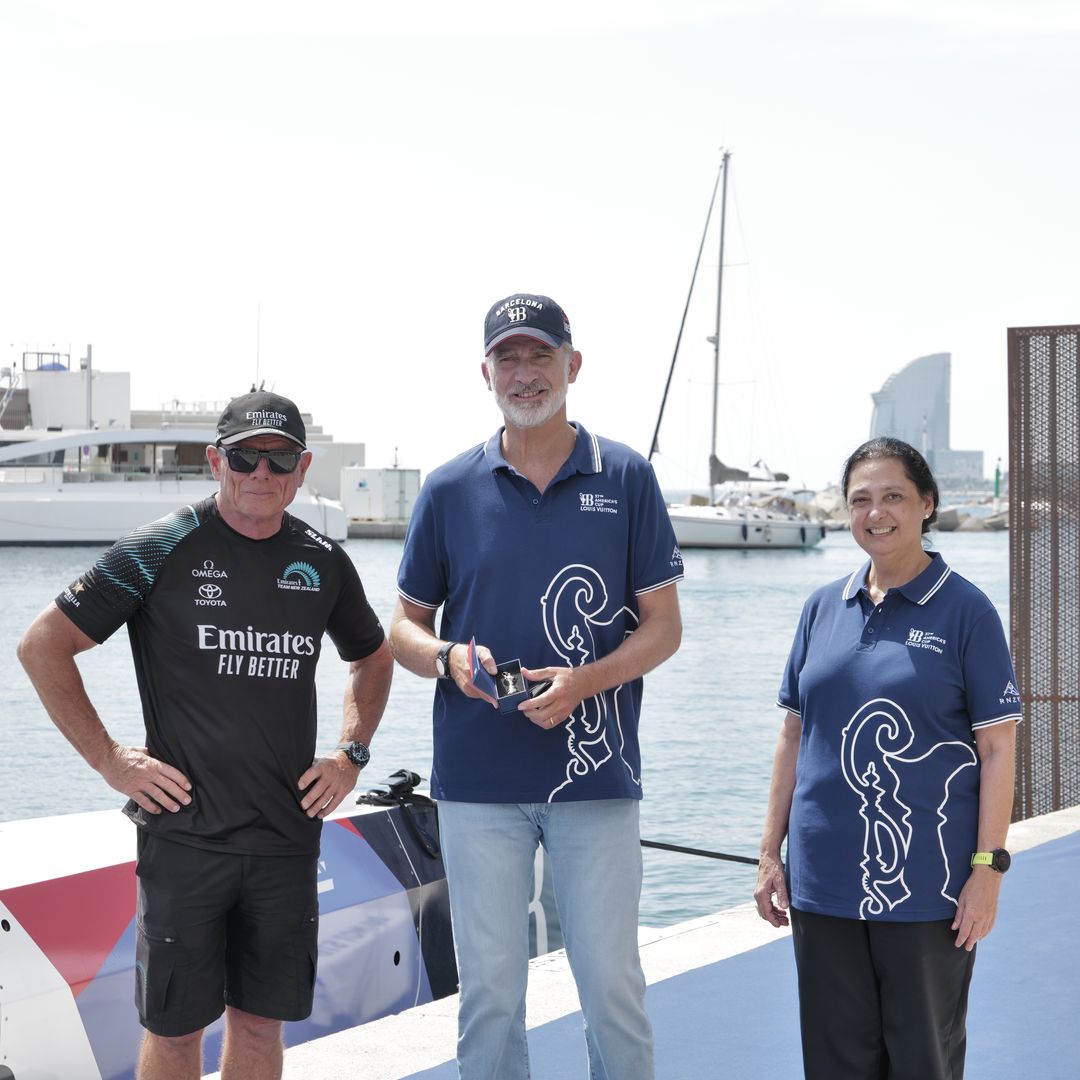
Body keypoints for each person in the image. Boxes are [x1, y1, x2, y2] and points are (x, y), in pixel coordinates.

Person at [17, 390, 393, 1080]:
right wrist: (109, 759)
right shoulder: (160, 547)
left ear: (302, 467)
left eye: (278, 456)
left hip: (285, 837)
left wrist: (350, 754)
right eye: (245, 454)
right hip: (184, 840)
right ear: (216, 460)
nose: (261, 469)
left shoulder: (323, 561)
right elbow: (43, 645)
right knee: (176, 1029)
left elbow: (373, 655)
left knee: (258, 1026)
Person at [389, 293, 683, 1079]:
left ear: (572, 365)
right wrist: (449, 658)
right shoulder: (448, 489)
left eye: (539, 355)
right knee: (489, 990)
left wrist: (587, 682)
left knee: (612, 985)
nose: (525, 373)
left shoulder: (626, 476)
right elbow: (402, 630)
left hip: (598, 777)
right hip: (477, 782)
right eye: (508, 358)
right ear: (485, 373)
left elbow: (664, 628)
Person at [753, 437, 1020, 1080]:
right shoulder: (822, 608)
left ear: (927, 505)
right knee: (835, 1061)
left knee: (923, 1059)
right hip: (822, 885)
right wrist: (770, 852)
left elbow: (997, 747)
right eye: (861, 500)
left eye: (894, 496)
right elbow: (793, 736)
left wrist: (988, 869)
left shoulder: (967, 611)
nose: (877, 513)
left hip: (928, 888)